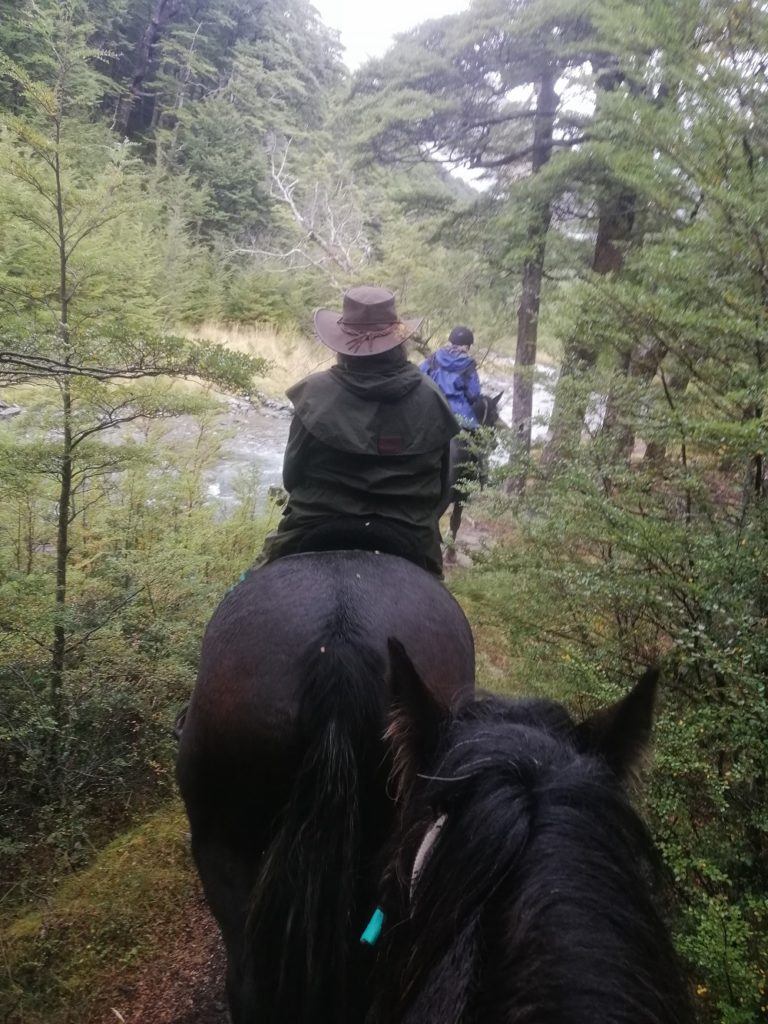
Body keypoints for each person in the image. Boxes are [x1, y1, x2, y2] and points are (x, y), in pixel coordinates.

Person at [261, 286, 459, 576]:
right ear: (398, 340)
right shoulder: (432, 397)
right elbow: (443, 489)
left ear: (342, 343)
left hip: (313, 524)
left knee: (250, 588)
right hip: (411, 534)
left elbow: (291, 476)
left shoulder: (314, 394)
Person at [420, 325, 481, 428]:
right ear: (466, 347)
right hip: (458, 413)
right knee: (477, 438)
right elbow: (474, 394)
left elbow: (420, 374)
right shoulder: (468, 364)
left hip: (430, 406)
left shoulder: (434, 357)